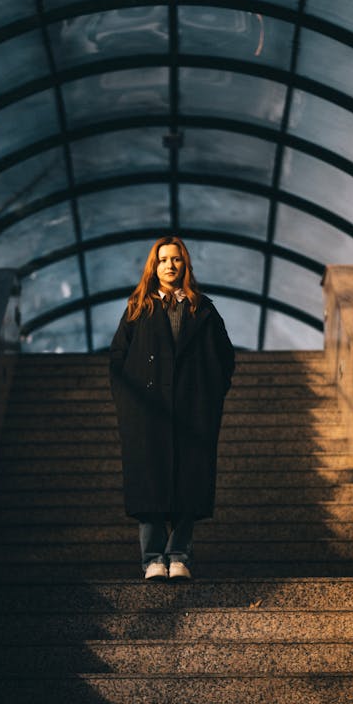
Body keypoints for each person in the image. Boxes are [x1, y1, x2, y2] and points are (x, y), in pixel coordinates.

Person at [109, 236, 235, 581]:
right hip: (146, 413)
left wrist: (208, 398)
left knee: (187, 480)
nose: (169, 265)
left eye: (176, 259)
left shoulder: (203, 308)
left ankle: (179, 554)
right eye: (163, 259)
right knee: (149, 482)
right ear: (154, 265)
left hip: (192, 412)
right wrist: (127, 404)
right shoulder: (138, 307)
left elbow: (225, 359)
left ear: (185, 265)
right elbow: (117, 358)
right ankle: (152, 558)